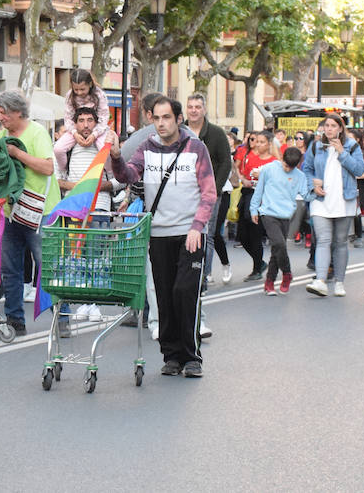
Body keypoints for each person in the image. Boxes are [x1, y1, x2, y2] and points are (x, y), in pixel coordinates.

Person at [109, 96, 216, 378]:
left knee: (185, 292)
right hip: (158, 234)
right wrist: (117, 157)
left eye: (166, 117)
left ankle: (192, 357)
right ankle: (171, 356)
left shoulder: (196, 148)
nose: (161, 123)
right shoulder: (147, 148)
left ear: (178, 119)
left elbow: (209, 192)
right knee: (165, 297)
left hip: (189, 234)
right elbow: (129, 175)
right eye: (156, 118)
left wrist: (197, 227)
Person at [0, 90, 59, 338]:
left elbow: (48, 167)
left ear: (18, 112)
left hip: (40, 211)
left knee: (47, 266)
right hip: (12, 211)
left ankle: (61, 319)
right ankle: (14, 321)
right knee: (10, 268)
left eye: (3, 112)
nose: (0, 118)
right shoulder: (1, 135)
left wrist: (17, 153)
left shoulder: (37, 133)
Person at [55, 106, 117, 321]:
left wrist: (97, 187)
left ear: (96, 123)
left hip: (99, 208)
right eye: (81, 120)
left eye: (90, 120)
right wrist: (80, 186)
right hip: (74, 208)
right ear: (75, 124)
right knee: (76, 259)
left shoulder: (103, 148)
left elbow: (117, 180)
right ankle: (83, 302)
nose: (85, 125)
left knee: (96, 256)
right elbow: (58, 180)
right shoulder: (69, 148)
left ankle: (94, 303)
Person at [300, 114, 364, 298]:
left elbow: (359, 170)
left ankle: (339, 282)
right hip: (321, 200)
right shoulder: (316, 146)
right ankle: (320, 280)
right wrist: (313, 183)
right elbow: (307, 168)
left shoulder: (351, 146)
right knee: (323, 240)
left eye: (333, 126)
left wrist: (342, 153)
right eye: (326, 125)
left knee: (340, 242)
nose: (329, 129)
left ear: (340, 128)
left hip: (344, 200)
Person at [184, 94, 234, 291]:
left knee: (207, 234)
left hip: (210, 193)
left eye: (197, 106)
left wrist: (216, 188)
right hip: (185, 192)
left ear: (204, 109)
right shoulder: (181, 132)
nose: (194, 110)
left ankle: (204, 275)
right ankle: (188, 271)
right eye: (190, 106)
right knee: (185, 232)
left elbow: (225, 163)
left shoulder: (216, 133)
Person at [249, 146, 309, 295]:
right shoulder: (269, 169)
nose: (287, 169)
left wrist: (317, 190)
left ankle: (269, 282)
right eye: (286, 165)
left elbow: (306, 194)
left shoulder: (300, 176)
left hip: (286, 214)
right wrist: (253, 209)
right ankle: (287, 273)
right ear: (282, 159)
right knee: (278, 244)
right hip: (268, 213)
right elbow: (259, 189)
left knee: (277, 250)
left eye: (291, 167)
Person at [236, 130, 278, 282]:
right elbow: (244, 175)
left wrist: (263, 179)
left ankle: (256, 269)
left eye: (261, 142)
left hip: (263, 201)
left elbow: (276, 183)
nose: (258, 144)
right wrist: (244, 180)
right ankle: (260, 263)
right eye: (256, 141)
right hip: (247, 195)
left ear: (268, 144)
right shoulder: (250, 157)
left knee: (255, 235)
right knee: (241, 234)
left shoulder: (274, 161)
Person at [52, 69, 110, 173]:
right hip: (75, 130)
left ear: (90, 84)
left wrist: (95, 134)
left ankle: (110, 172)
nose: (79, 93)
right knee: (58, 149)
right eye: (76, 89)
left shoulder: (99, 95)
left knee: (105, 150)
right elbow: (68, 118)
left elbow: (104, 117)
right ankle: (63, 170)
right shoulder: (70, 96)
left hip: (97, 129)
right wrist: (74, 133)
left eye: (82, 89)